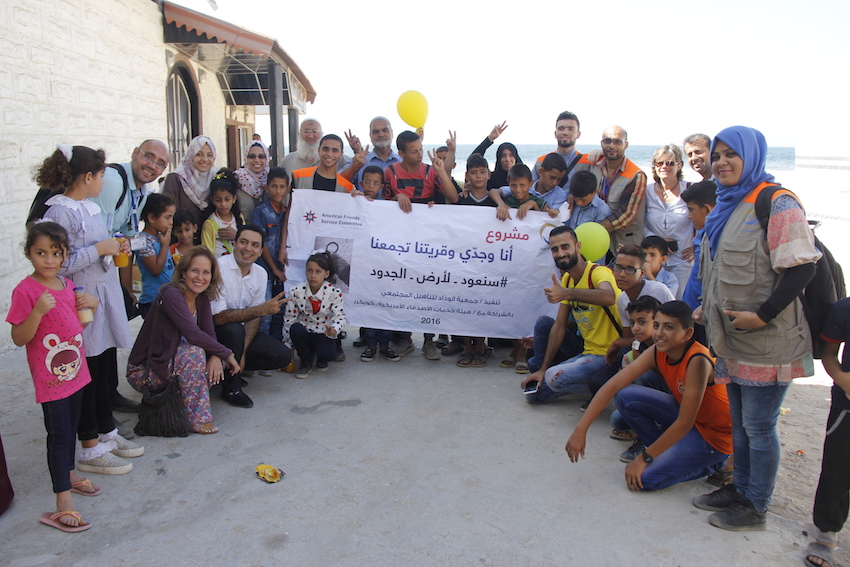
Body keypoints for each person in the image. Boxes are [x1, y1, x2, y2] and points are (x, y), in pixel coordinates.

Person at [694, 125, 821, 531]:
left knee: (760, 426)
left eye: (731, 154)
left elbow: (801, 266)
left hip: (768, 341)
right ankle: (740, 487)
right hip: (732, 340)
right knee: (741, 422)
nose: (721, 162)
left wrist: (762, 315)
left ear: (753, 156)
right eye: (716, 155)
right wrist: (704, 306)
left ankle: (756, 506)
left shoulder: (776, 202)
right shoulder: (726, 204)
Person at [37, 144, 143, 475]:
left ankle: (106, 432)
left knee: (100, 368)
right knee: (86, 373)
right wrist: (99, 248)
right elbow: (59, 262)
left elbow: (101, 246)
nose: (103, 181)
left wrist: (114, 247)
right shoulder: (59, 212)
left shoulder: (90, 207)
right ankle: (89, 444)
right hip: (81, 301)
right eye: (100, 175)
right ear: (87, 177)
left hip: (103, 293)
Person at [566, 301, 733, 492]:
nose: (659, 333)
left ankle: (719, 463)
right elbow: (613, 385)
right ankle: (664, 451)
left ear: (687, 334)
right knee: (625, 395)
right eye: (656, 325)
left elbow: (684, 423)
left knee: (643, 479)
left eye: (668, 327)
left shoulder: (698, 361)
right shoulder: (658, 350)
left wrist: (643, 459)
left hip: (713, 436)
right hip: (691, 422)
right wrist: (581, 428)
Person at [7, 222, 99, 532]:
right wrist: (35, 312)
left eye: (55, 253)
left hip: (77, 373)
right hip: (52, 382)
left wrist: (91, 307)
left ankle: (69, 476)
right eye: (41, 253)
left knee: (70, 428)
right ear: (28, 254)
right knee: (59, 437)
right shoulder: (26, 290)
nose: (48, 260)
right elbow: (19, 337)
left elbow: (75, 328)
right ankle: (62, 502)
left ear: (65, 256)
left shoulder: (66, 285)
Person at [89, 139, 169, 413]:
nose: (153, 166)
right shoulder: (112, 181)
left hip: (107, 269)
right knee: (95, 339)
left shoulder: (141, 192)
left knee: (109, 334)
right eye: (149, 157)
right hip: (89, 272)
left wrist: (125, 288)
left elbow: (124, 240)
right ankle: (96, 408)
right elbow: (95, 233)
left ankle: (108, 395)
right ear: (135, 154)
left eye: (161, 163)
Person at [127, 246, 240, 434]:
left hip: (173, 361)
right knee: (193, 352)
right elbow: (193, 334)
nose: (199, 277)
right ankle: (196, 418)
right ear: (184, 272)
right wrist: (227, 353)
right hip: (146, 370)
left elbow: (209, 333)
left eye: (206, 272)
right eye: (194, 270)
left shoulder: (201, 298)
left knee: (212, 358)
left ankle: (183, 399)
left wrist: (216, 356)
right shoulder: (171, 294)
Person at [521, 226, 621, 404]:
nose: (560, 253)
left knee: (553, 378)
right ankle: (556, 372)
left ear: (578, 246)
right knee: (534, 394)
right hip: (585, 349)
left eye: (565, 247)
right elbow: (559, 326)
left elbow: (609, 297)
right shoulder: (567, 279)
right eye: (555, 249)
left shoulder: (598, 272)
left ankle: (614, 388)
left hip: (608, 354)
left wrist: (567, 293)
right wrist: (542, 369)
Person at [212, 224, 293, 408]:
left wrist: (243, 352)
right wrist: (261, 310)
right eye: (243, 242)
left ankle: (234, 369)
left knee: (282, 355)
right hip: (215, 334)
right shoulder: (219, 267)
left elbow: (254, 318)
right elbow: (218, 318)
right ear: (234, 243)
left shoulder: (260, 273)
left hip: (239, 334)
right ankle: (231, 388)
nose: (248, 248)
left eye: (255, 245)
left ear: (260, 250)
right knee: (233, 330)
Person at [804, 298, 850, 567]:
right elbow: (829, 354)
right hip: (847, 403)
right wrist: (843, 380)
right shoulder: (844, 309)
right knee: (837, 468)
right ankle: (825, 535)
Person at [644, 144, 695, 298]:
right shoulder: (647, 191)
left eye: (670, 163)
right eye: (660, 163)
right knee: (652, 298)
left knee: (677, 302)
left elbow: (704, 220)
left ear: (679, 166)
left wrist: (697, 245)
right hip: (653, 259)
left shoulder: (690, 190)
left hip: (682, 261)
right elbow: (641, 223)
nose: (664, 166)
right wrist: (657, 240)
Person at [285, 252, 347, 378]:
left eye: (318, 271)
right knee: (295, 328)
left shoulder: (334, 293)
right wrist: (288, 346)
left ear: (326, 274)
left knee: (329, 355)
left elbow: (339, 317)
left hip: (322, 331)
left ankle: (320, 355)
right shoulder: (295, 291)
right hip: (305, 329)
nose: (313, 276)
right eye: (310, 271)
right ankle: (305, 360)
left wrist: (334, 329)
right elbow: (289, 319)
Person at [592, 126, 648, 254]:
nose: (612, 145)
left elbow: (627, 215)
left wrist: (595, 229)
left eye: (617, 141)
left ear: (626, 145)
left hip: (622, 243)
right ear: (601, 144)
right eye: (607, 141)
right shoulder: (593, 166)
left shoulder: (636, 175)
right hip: (596, 240)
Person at [381, 130, 459, 214]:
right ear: (401, 154)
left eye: (421, 149)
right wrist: (397, 197)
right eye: (414, 152)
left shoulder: (429, 171)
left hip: (424, 220)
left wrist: (441, 172)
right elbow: (383, 204)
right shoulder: (391, 171)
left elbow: (454, 198)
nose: (420, 155)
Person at [253, 166, 290, 341]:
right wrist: (275, 269)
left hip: (283, 272)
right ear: (267, 188)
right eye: (274, 186)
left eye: (282, 187)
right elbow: (262, 244)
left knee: (280, 310)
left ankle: (275, 346)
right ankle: (262, 349)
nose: (278, 191)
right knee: (266, 311)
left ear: (287, 189)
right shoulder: (261, 211)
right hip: (265, 271)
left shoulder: (288, 212)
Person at [680, 179, 717, 350]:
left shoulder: (714, 237)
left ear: (708, 209)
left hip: (703, 314)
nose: (689, 215)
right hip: (693, 312)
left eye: (691, 210)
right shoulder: (702, 234)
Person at [160, 136, 216, 230]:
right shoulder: (176, 178)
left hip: (209, 240)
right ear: (191, 155)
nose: (205, 159)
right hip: (181, 239)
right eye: (199, 154)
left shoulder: (215, 177)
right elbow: (167, 214)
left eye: (209, 155)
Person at [135, 194, 176, 318]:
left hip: (168, 297)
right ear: (152, 217)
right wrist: (165, 246)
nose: (171, 223)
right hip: (153, 299)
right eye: (167, 217)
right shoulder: (142, 241)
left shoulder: (160, 237)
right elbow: (156, 269)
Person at [531, 111, 592, 188]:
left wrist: (600, 153)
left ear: (578, 134)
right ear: (555, 133)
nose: (565, 132)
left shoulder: (587, 162)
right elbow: (530, 189)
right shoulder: (541, 161)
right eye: (561, 128)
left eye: (571, 129)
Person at [282, 118, 354, 180]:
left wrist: (356, 151)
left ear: (321, 134)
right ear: (299, 135)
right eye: (306, 131)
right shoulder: (288, 161)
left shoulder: (337, 158)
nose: (310, 136)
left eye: (315, 131)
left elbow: (357, 167)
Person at [345, 117, 401, 190]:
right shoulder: (360, 161)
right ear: (370, 136)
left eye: (385, 130)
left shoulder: (403, 162)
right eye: (375, 132)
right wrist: (353, 168)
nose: (381, 134)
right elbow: (337, 182)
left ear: (392, 133)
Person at [491, 164, 559, 222]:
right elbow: (492, 192)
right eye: (513, 185)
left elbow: (545, 223)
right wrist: (501, 205)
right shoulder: (506, 200)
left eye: (522, 185)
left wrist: (534, 205)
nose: (518, 190)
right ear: (508, 183)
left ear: (530, 183)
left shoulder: (540, 203)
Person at [201, 169, 244, 257]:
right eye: (218, 200)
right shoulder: (210, 224)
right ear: (212, 200)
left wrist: (237, 236)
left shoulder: (239, 217)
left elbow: (247, 241)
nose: (223, 204)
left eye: (227, 199)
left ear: (234, 199)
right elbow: (207, 253)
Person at [234, 139, 270, 225]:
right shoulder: (236, 180)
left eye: (261, 156)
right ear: (246, 158)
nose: (257, 160)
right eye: (252, 156)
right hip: (242, 235)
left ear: (267, 158)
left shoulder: (272, 180)